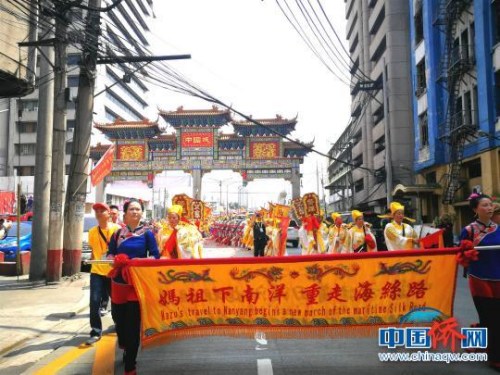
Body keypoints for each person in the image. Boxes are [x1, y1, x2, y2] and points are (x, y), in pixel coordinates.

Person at [107, 198, 160, 375]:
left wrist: (139, 262)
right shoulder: (116, 234)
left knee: (133, 324)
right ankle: (124, 344)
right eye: (132, 209)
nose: (135, 212)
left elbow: (155, 257)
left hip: (137, 284)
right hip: (118, 283)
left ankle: (130, 365)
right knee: (118, 319)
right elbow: (109, 254)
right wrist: (114, 261)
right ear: (125, 213)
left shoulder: (147, 234)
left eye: (138, 209)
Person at [458, 193, 500, 371]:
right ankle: (495, 358)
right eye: (484, 205)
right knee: (492, 318)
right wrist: (467, 253)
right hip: (480, 279)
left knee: (493, 318)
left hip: (498, 278)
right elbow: (461, 257)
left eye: (491, 205)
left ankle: (477, 338)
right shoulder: (469, 230)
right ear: (475, 209)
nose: (489, 208)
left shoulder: (499, 227)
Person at [86, 203, 120, 345]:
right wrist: (91, 260)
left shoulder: (117, 229)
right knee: (94, 302)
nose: (99, 213)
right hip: (97, 271)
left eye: (102, 211)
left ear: (109, 214)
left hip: (112, 271)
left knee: (117, 301)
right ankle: (95, 331)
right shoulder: (92, 231)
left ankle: (119, 324)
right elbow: (94, 251)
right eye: (96, 211)